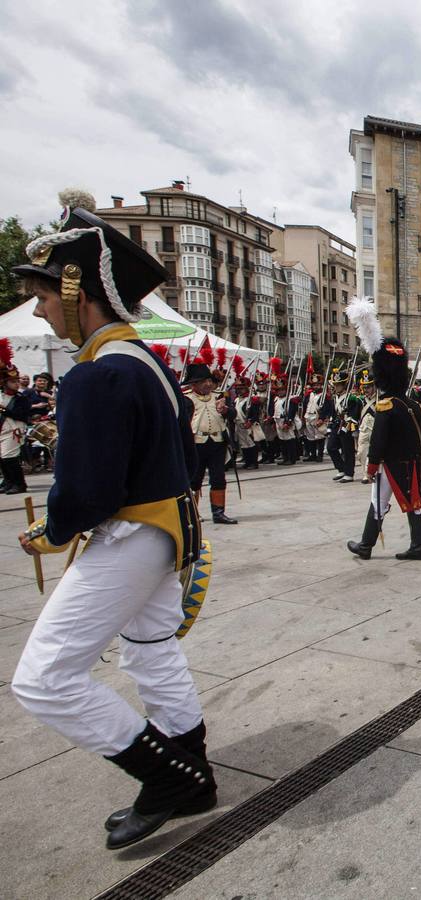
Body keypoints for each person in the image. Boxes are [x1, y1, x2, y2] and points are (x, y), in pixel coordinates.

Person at [10, 190, 214, 849]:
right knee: (151, 652)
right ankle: (195, 768)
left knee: (43, 679)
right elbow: (182, 457)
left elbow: (87, 491)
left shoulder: (95, 375)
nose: (41, 309)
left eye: (44, 294)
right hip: (166, 531)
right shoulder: (148, 361)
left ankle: (171, 778)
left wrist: (57, 528)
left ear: (77, 291)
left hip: (128, 536)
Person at [345, 298, 421, 560]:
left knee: (377, 503)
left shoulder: (385, 406)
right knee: (414, 505)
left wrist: (371, 466)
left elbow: (378, 441)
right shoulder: (412, 404)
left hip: (390, 464)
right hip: (412, 462)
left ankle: (366, 545)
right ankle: (417, 546)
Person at [183, 358, 237, 525]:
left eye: (208, 381)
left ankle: (218, 513)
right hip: (196, 442)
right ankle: (191, 514)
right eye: (201, 382)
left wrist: (226, 410)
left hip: (217, 442)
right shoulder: (185, 398)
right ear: (193, 384)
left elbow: (233, 415)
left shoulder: (219, 396)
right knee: (194, 480)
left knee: (218, 478)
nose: (207, 385)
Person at [0, 341, 33, 494]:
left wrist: (5, 411)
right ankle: (8, 482)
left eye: (17, 381)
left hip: (14, 429)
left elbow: (22, 415)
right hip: (2, 429)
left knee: (9, 457)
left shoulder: (21, 398)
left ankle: (20, 484)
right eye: (13, 382)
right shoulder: (1, 395)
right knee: (2, 458)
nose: (16, 384)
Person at [354, 368, 376, 481]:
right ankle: (365, 473)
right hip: (363, 430)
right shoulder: (360, 400)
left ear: (374, 387)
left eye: (368, 387)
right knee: (361, 452)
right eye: (364, 387)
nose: (366, 389)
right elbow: (355, 415)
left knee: (374, 452)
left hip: (376, 429)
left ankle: (370, 473)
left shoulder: (380, 400)